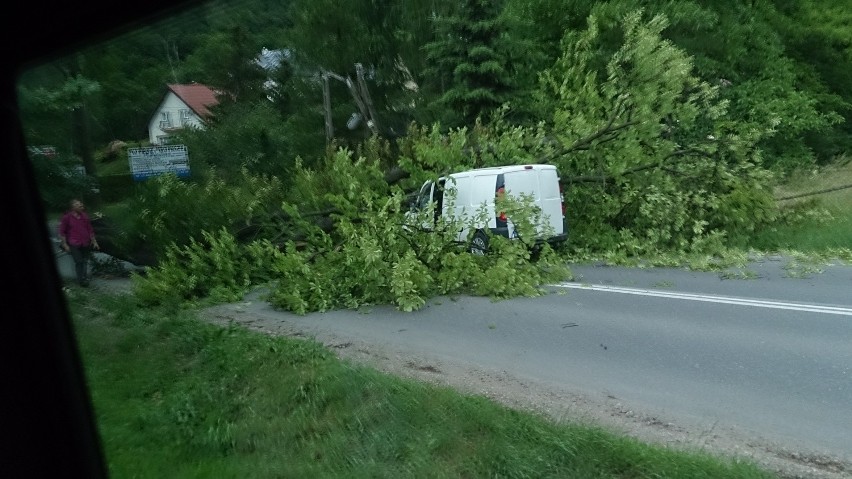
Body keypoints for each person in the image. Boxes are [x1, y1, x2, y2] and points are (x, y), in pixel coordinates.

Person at [58, 199, 99, 286]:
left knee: (84, 261)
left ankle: (84, 278)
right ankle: (81, 280)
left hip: (85, 243)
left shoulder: (85, 216)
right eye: (78, 204)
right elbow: (62, 232)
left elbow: (90, 230)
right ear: (73, 207)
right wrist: (65, 244)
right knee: (79, 261)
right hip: (74, 243)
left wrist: (94, 242)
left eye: (81, 204)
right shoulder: (67, 217)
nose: (81, 205)